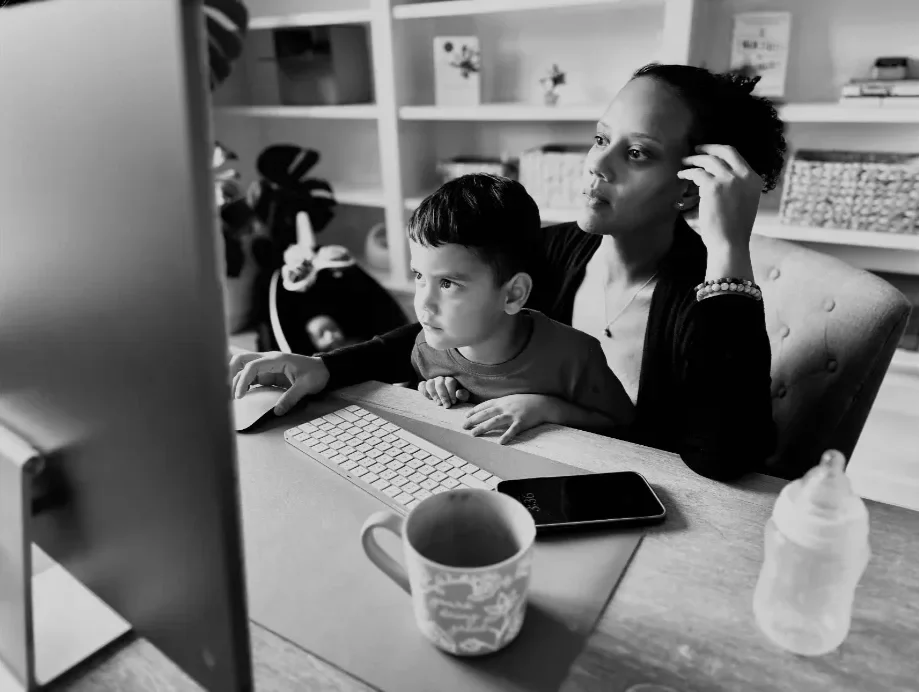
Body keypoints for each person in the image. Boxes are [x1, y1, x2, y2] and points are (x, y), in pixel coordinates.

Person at [231, 63, 786, 481]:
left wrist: (731, 249)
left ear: (691, 183)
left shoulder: (709, 293)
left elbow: (724, 458)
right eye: (600, 138)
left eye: (636, 153)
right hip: (521, 476)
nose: (596, 162)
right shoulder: (551, 251)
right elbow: (441, 325)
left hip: (646, 511)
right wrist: (325, 367)